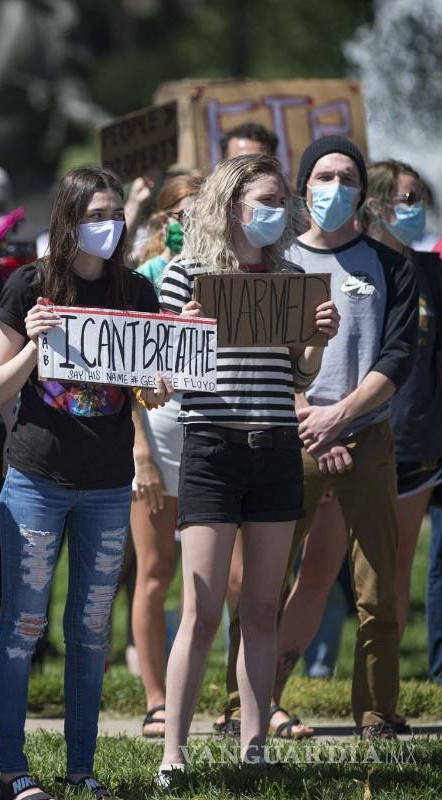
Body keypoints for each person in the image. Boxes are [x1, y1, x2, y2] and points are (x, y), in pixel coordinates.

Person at [0, 166, 172, 799]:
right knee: (24, 626)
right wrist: (37, 344)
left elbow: (143, 388)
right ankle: (15, 771)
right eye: (96, 215)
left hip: (108, 484)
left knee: (92, 630)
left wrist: (160, 384)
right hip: (37, 479)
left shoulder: (138, 291)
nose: (109, 226)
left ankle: (81, 769)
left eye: (115, 215)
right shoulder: (28, 286)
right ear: (67, 222)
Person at [225, 136, 418, 741]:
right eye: (323, 176)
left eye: (348, 178)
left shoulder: (390, 265)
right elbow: (257, 352)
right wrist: (309, 415)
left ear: (362, 193)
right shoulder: (274, 264)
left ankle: (377, 713)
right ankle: (243, 707)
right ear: (303, 189)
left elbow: (398, 354)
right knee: (265, 580)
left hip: (366, 438)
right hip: (288, 438)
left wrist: (343, 416)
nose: (335, 188)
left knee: (378, 587)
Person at [155, 155, 339, 783]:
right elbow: (164, 380)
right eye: (266, 198)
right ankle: (173, 753)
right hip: (211, 447)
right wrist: (180, 336)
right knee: (201, 609)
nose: (278, 210)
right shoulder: (186, 275)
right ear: (232, 204)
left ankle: (253, 750)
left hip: (276, 449)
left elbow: (302, 374)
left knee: (262, 610)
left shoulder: (293, 278)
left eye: (283, 200)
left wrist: (317, 338)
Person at [126, 173, 202, 737]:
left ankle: (230, 697)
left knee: (227, 578)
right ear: (165, 221)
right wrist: (141, 452)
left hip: (216, 434)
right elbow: (131, 372)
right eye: (185, 212)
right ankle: (156, 698)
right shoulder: (146, 278)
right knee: (155, 573)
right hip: (162, 432)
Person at [358, 159, 442, 638]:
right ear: (375, 205)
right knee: (321, 571)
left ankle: (378, 696)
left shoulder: (430, 269)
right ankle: (267, 690)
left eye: (421, 201)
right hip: (349, 435)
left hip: (414, 441)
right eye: (408, 200)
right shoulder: (353, 264)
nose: (416, 210)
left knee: (393, 572)